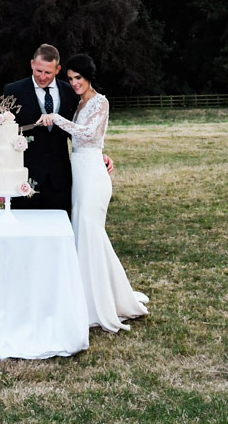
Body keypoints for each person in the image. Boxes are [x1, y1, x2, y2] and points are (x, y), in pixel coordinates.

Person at [37, 53, 149, 333]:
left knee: (90, 230)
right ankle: (87, 295)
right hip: (80, 173)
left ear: (89, 77)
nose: (74, 83)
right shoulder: (79, 104)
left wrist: (55, 119)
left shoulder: (101, 101)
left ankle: (100, 302)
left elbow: (88, 135)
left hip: (94, 177)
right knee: (83, 233)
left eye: (79, 78)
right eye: (71, 78)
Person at [2, 44, 76, 213]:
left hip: (60, 179)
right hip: (24, 179)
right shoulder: (12, 91)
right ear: (32, 64)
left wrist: (98, 153)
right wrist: (3, 178)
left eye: (48, 73)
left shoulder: (70, 92)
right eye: (38, 71)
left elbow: (77, 132)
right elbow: (2, 137)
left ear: (57, 69)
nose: (42, 77)